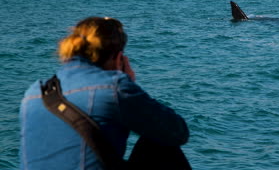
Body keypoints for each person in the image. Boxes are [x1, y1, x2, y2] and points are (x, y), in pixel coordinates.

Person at [20, 17, 190, 169]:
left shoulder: (35, 92)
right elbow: (178, 132)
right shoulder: (114, 87)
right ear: (119, 58)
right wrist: (128, 83)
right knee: (158, 143)